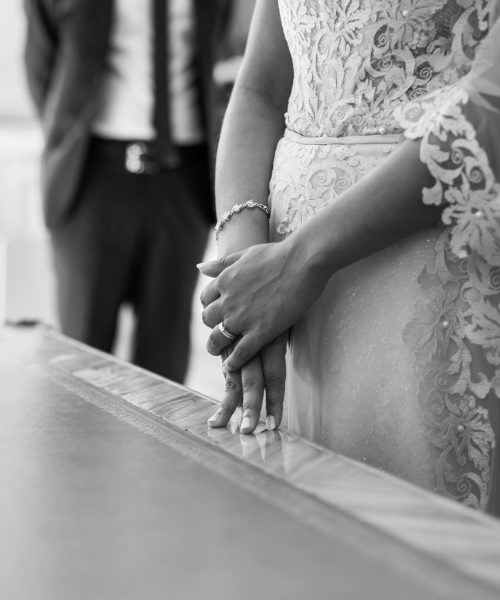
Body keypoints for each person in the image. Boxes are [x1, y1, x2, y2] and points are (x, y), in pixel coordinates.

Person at [199, 0, 500, 514]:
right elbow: (260, 88)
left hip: (424, 272)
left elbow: (491, 106)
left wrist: (299, 261)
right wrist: (247, 264)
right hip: (279, 293)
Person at [24, 0, 229, 382]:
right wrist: (66, 138)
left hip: (183, 179)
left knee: (164, 364)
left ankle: (157, 445)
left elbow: (222, 46)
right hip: (93, 177)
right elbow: (41, 66)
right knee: (82, 358)